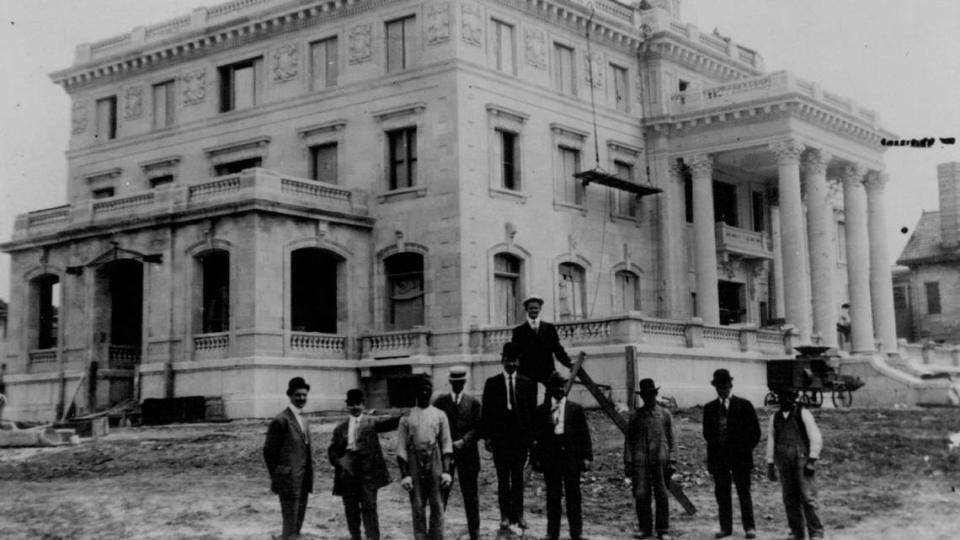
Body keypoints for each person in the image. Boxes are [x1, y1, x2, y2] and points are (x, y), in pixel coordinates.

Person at [328, 389, 401, 540]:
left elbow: (389, 423)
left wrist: (403, 416)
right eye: (351, 404)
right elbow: (332, 451)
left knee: (370, 510)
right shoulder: (340, 428)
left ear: (363, 405)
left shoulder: (371, 422)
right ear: (347, 406)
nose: (355, 407)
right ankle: (355, 537)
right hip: (348, 475)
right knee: (351, 510)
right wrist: (340, 464)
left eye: (358, 404)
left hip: (368, 474)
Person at [481, 342, 537, 534]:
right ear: (502, 360)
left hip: (520, 441)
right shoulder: (492, 383)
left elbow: (531, 415)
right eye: (507, 361)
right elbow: (486, 413)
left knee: (518, 480)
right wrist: (487, 437)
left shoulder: (527, 384)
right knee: (503, 480)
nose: (511, 364)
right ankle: (505, 516)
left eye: (514, 361)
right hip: (500, 441)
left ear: (518, 361)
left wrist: (532, 440)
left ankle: (519, 516)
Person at [532, 372, 593, 540]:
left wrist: (587, 457)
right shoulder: (542, 410)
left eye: (562, 386)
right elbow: (536, 438)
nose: (559, 390)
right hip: (551, 459)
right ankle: (552, 533)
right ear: (549, 389)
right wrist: (536, 459)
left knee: (573, 496)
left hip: (571, 458)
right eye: (555, 387)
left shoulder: (575, 409)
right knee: (553, 496)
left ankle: (576, 533)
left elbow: (584, 435)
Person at [702, 369, 760, 539]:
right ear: (715, 387)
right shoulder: (709, 408)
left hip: (740, 458)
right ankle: (725, 528)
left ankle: (749, 528)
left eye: (725, 386)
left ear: (731, 385)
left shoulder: (744, 405)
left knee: (744, 493)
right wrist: (714, 455)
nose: (723, 389)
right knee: (722, 494)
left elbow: (755, 433)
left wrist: (743, 449)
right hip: (719, 460)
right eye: (719, 386)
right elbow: (707, 434)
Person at [397, 376, 454, 540]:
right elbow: (401, 448)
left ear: (431, 392)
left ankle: (437, 536)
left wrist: (446, 471)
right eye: (421, 388)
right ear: (415, 391)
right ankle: (420, 536)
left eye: (428, 388)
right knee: (418, 506)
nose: (424, 392)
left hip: (435, 459)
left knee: (437, 505)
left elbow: (446, 444)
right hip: (415, 460)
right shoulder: (406, 417)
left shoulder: (440, 415)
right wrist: (405, 475)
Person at [766, 387, 825, 540]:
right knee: (789, 498)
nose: (786, 400)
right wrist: (770, 464)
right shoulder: (775, 418)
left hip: (801, 460)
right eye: (783, 396)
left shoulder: (802, 414)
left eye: (790, 396)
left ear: (794, 398)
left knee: (808, 498)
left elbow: (815, 436)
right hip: (784, 462)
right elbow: (771, 441)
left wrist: (812, 460)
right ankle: (796, 532)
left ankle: (816, 532)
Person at [432, 366, 482, 540]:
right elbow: (434, 425)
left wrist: (464, 440)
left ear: (465, 382)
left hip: (468, 455)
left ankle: (475, 532)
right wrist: (445, 445)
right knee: (441, 495)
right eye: (455, 382)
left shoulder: (473, 403)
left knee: (471, 495)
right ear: (450, 382)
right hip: (446, 456)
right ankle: (437, 531)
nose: (458, 385)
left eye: (461, 382)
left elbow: (478, 427)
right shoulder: (440, 402)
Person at [263, 377, 314, 540]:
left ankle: (294, 536)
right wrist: (280, 475)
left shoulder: (304, 419)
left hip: (304, 476)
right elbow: (268, 451)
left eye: (304, 395)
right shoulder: (281, 420)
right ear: (289, 395)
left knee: (299, 514)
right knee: (290, 517)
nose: (302, 398)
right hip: (288, 478)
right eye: (298, 395)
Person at [624, 378, 674, 540]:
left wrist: (672, 461)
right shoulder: (635, 416)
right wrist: (628, 461)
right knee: (641, 493)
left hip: (660, 459)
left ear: (655, 394)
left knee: (662, 494)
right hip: (640, 460)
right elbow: (629, 440)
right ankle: (644, 528)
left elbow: (672, 438)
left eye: (651, 394)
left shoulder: (665, 414)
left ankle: (663, 529)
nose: (648, 398)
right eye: (645, 395)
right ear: (642, 396)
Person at [510, 295, 572, 386]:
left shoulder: (549, 328)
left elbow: (558, 349)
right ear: (526, 310)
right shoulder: (518, 331)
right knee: (530, 399)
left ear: (540, 309)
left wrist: (569, 363)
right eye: (531, 308)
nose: (534, 310)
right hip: (527, 373)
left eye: (536, 308)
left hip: (547, 371)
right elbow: (515, 354)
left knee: (553, 397)